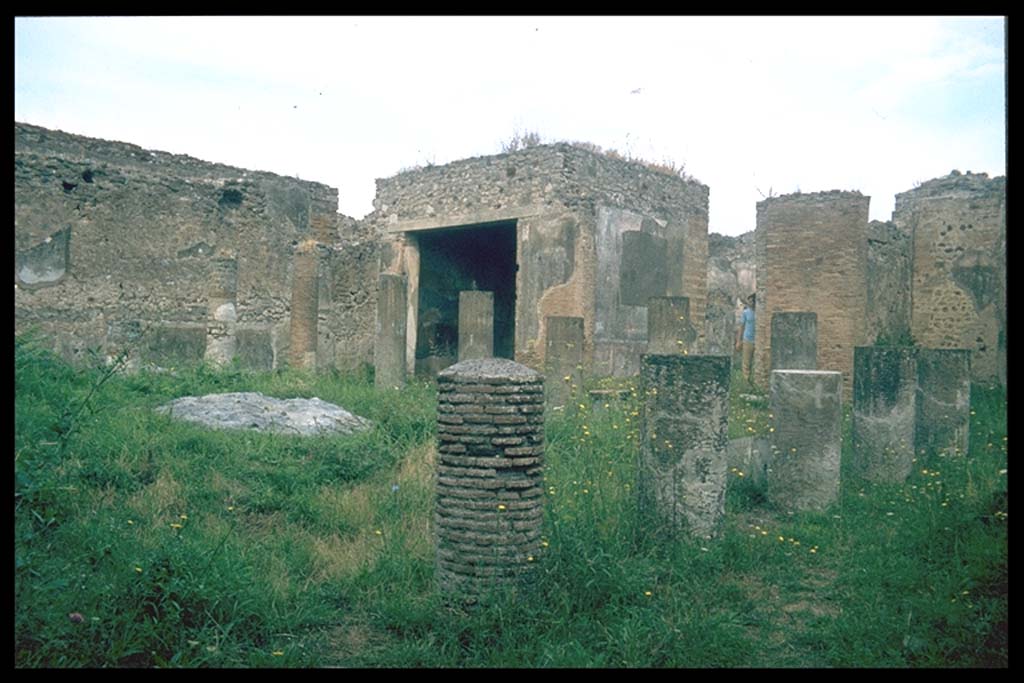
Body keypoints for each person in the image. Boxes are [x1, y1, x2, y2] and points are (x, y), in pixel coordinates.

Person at [735, 293, 756, 384]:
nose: (750, 303)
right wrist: (738, 341)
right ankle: (746, 381)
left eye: (752, 301)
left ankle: (754, 380)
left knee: (755, 362)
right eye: (749, 301)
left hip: (758, 340)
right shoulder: (746, 312)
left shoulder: (759, 313)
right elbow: (741, 327)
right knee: (746, 362)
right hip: (747, 339)